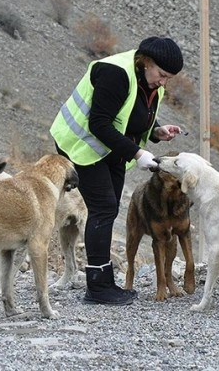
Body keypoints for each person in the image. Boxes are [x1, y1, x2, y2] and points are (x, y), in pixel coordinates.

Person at [50, 36, 184, 305]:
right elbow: (99, 124)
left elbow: (132, 112)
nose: (163, 82)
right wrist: (138, 153)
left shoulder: (147, 81)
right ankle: (97, 288)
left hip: (111, 148)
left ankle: (105, 281)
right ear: (146, 62)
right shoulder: (116, 73)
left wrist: (155, 131)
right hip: (81, 144)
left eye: (169, 78)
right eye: (161, 74)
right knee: (104, 207)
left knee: (108, 209)